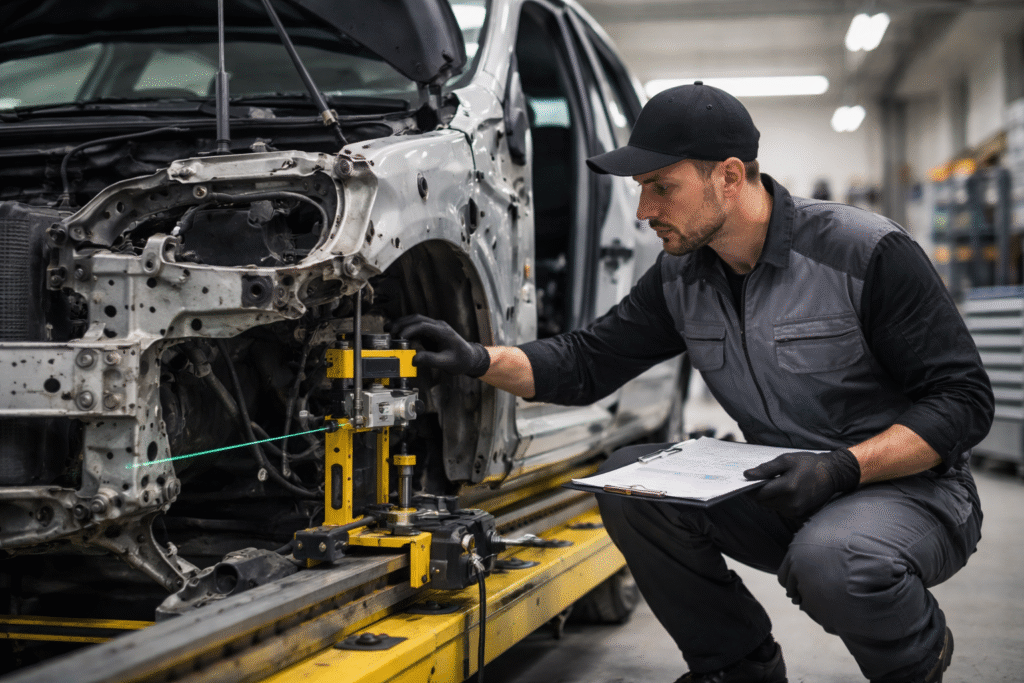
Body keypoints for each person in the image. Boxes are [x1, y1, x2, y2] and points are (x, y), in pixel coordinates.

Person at [391, 82, 992, 683]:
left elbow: (964, 402)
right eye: (641, 189)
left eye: (662, 187)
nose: (643, 211)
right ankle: (737, 667)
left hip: (915, 490)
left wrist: (843, 467)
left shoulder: (864, 252)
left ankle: (916, 660)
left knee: (834, 561)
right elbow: (588, 360)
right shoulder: (681, 276)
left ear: (729, 177)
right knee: (633, 483)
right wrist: (476, 357)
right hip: (789, 485)